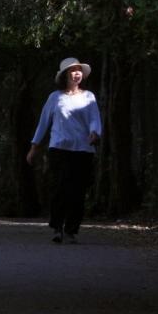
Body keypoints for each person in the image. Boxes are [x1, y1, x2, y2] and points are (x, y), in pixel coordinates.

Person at [26, 57, 102, 244]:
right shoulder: (55, 97)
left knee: (78, 191)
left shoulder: (89, 96)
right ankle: (57, 228)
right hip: (59, 149)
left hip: (83, 150)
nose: (77, 73)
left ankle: (71, 230)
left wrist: (94, 132)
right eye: (72, 70)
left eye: (79, 70)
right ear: (65, 75)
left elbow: (94, 118)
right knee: (60, 188)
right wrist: (34, 147)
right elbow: (43, 123)